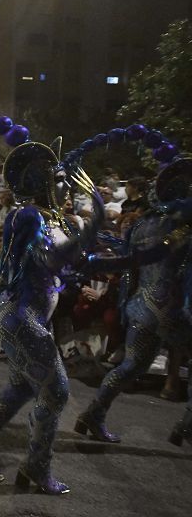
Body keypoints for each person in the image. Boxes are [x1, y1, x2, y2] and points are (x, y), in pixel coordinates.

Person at [0, 139, 103, 494]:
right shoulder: (28, 216)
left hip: (31, 317)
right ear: (41, 182)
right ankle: (36, 468)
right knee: (57, 391)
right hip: (19, 318)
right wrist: (94, 222)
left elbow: (79, 260)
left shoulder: (57, 220)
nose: (66, 185)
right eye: (58, 179)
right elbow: (50, 261)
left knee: (21, 388)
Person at [75, 156, 191, 443]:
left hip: (142, 306)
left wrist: (122, 298)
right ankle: (185, 426)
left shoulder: (142, 225)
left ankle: (94, 412)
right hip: (174, 308)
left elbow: (127, 265)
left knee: (131, 366)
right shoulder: (184, 228)